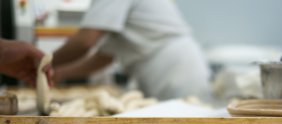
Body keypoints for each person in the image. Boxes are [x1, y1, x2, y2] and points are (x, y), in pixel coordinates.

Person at [52, 0, 212, 101]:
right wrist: (61, 73)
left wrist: (43, 62)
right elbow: (104, 57)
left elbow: (86, 40)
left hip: (174, 68)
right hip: (159, 68)